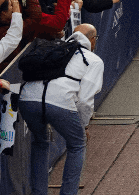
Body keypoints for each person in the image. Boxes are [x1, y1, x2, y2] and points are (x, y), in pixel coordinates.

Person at [22, 24, 105, 195]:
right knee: (77, 144)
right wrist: (84, 126)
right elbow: (84, 101)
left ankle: (38, 192)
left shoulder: (54, 49)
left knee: (40, 142)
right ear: (92, 40)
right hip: (59, 102)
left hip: (27, 98)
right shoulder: (94, 60)